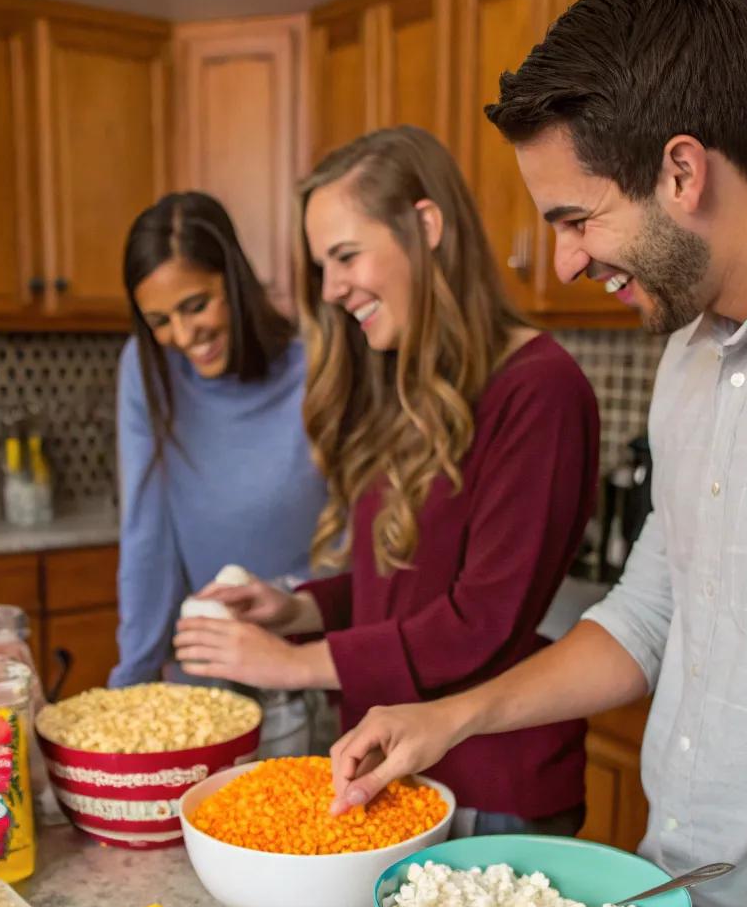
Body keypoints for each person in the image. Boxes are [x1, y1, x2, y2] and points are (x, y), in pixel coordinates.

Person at [327, 0, 747, 907]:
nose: (564, 259)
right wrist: (449, 715)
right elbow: (650, 614)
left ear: (682, 170)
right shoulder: (688, 354)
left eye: (577, 217)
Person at [175, 125, 600, 835]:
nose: (332, 288)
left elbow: (481, 623)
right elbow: (404, 583)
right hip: (402, 778)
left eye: (345, 256)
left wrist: (292, 665)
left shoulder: (541, 390)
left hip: (494, 795)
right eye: (323, 266)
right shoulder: (418, 385)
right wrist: (298, 611)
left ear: (425, 227)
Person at [110, 192, 325, 688]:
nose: (184, 337)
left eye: (196, 305)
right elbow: (147, 535)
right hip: (204, 672)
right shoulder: (147, 372)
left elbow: (353, 539)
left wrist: (293, 605)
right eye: (160, 322)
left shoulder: (314, 367)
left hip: (307, 665)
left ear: (234, 279)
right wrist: (131, 687)